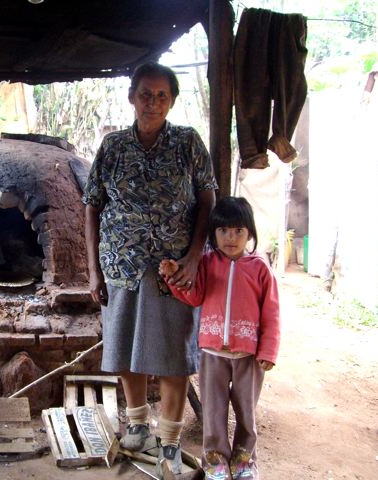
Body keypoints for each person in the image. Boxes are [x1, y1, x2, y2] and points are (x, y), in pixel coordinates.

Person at [83, 61, 217, 477]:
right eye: (145, 93)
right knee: (125, 347)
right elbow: (92, 205)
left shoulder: (188, 143)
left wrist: (195, 257)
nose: (153, 102)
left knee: (173, 356)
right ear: (131, 97)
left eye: (162, 95)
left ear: (172, 100)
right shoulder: (113, 147)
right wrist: (93, 271)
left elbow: (208, 200)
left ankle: (171, 443)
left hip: (173, 270)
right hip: (120, 265)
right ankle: (138, 424)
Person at [159, 196, 280, 480]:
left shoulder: (260, 268)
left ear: (249, 233)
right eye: (223, 230)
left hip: (248, 357)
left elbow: (272, 313)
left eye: (238, 230)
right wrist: (173, 277)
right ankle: (215, 463)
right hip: (212, 354)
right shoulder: (208, 263)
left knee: (246, 414)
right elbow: (194, 294)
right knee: (213, 414)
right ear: (213, 233)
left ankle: (244, 462)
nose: (231, 237)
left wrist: (268, 351)